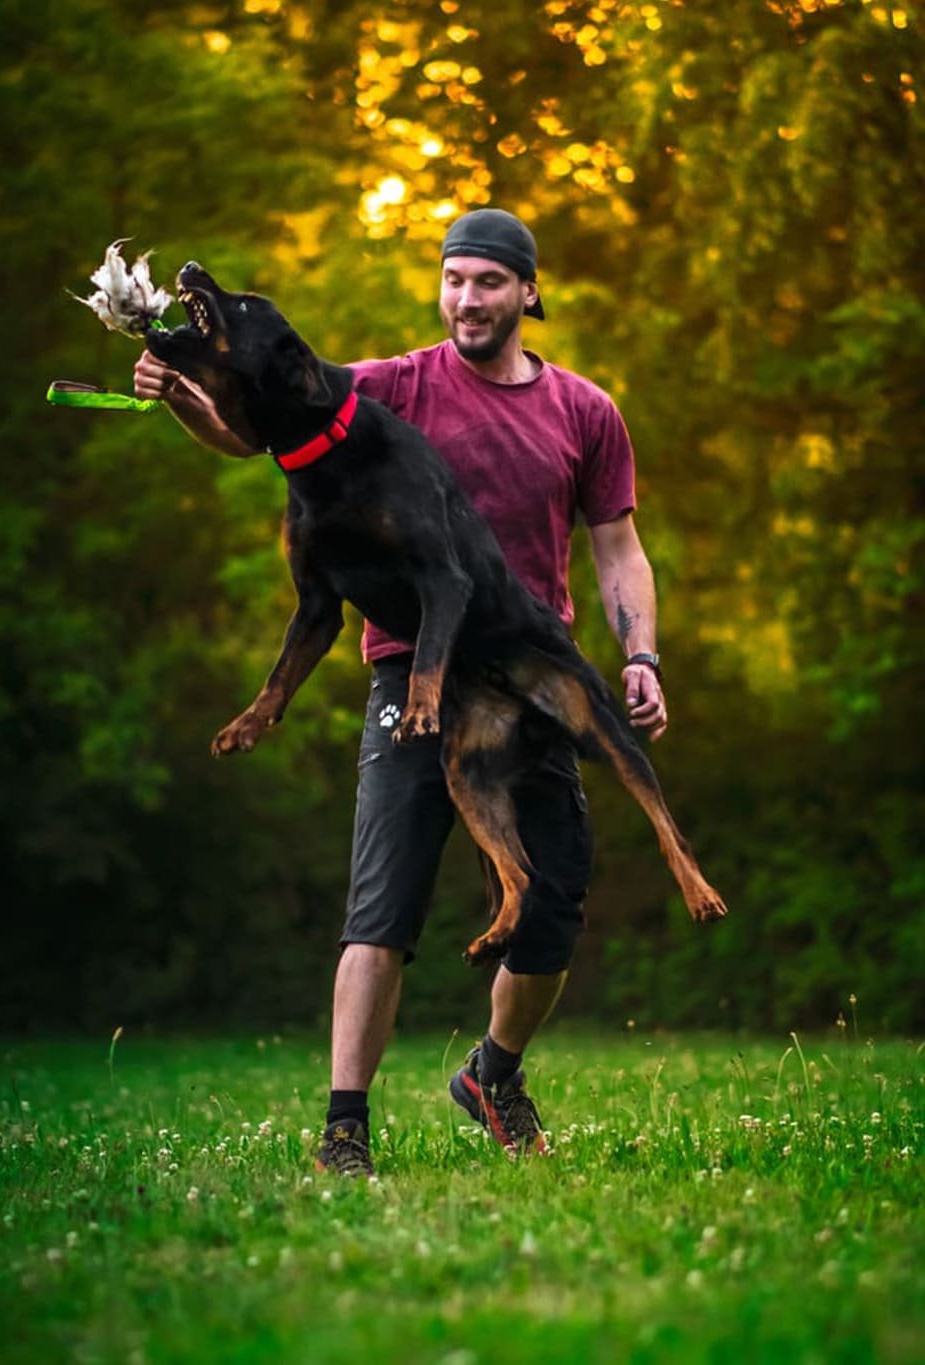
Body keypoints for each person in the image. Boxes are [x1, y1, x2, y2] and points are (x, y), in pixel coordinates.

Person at [134, 209, 668, 1178]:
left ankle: (491, 1074)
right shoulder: (393, 384)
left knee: (552, 907)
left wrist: (641, 657)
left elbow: (618, 547)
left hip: (524, 668)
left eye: (489, 282)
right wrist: (176, 393)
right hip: (408, 669)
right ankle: (345, 1126)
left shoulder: (585, 410)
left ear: (528, 293)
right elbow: (252, 435)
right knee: (381, 908)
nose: (468, 298)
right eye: (455, 279)